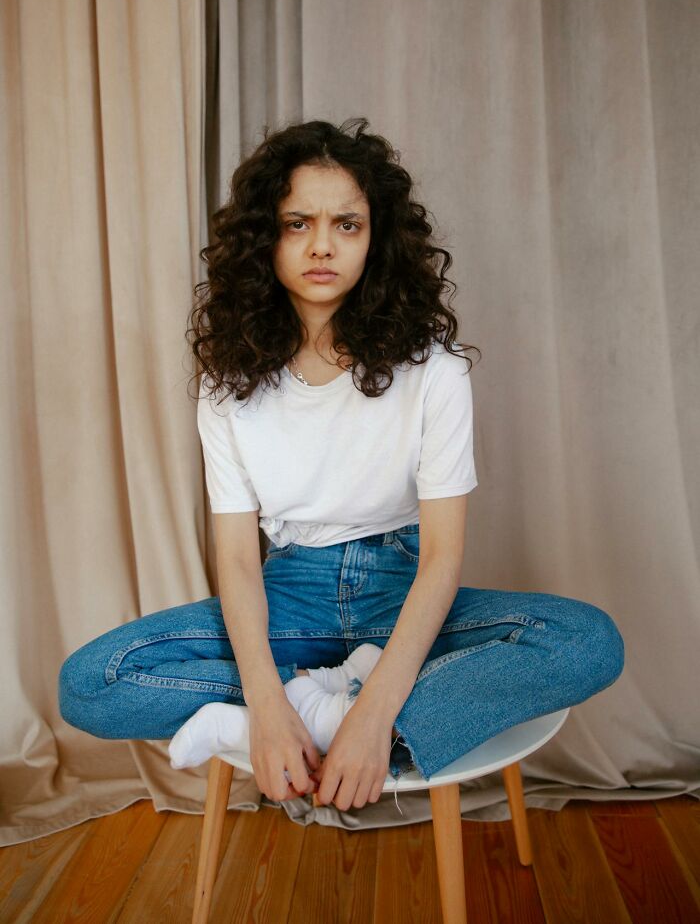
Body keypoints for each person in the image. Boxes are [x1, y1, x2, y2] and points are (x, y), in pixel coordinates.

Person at [58, 117, 625, 814]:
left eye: (347, 226)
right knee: (89, 684)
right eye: (298, 224)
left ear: (375, 240)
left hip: (403, 589)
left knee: (588, 643)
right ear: (266, 238)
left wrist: (375, 711)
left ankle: (341, 713)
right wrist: (265, 706)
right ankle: (298, 707)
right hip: (287, 599)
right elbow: (237, 558)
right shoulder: (228, 383)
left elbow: (443, 560)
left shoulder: (434, 374)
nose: (322, 245)